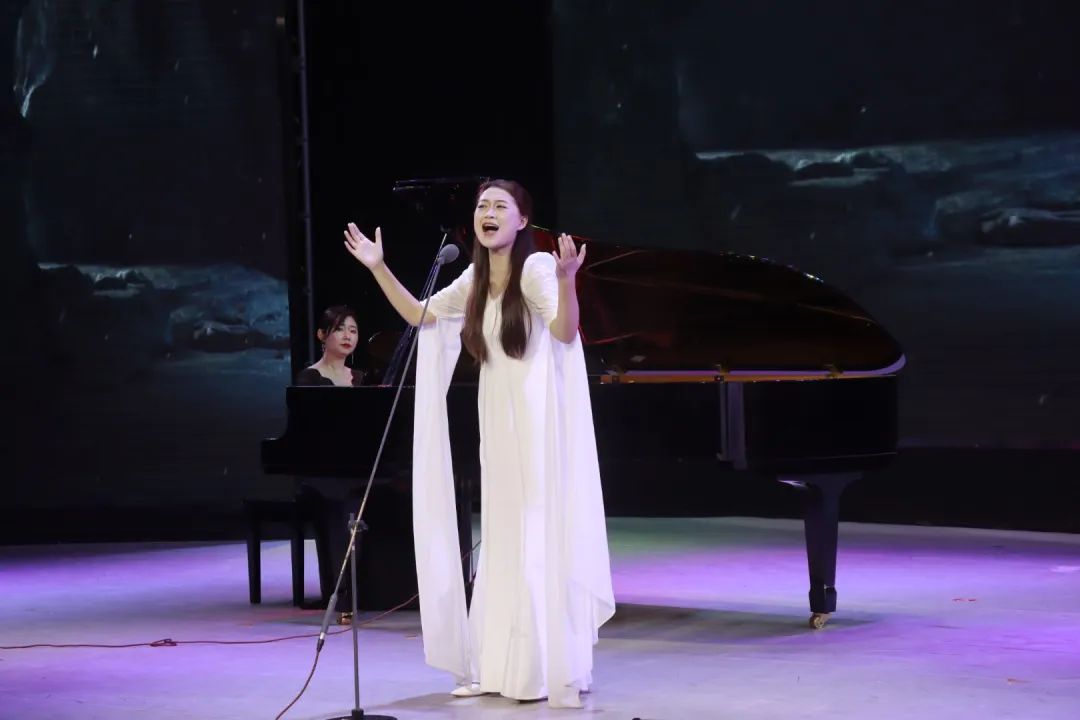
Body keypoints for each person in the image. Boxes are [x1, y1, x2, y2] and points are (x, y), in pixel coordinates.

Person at [344, 179, 615, 708]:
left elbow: (564, 332)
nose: (487, 212)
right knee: (504, 536)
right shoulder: (474, 277)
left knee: (533, 533)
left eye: (500, 206)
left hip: (535, 422)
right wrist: (378, 266)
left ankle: (540, 669)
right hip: (497, 420)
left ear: (522, 221)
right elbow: (420, 314)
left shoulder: (536, 269)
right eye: (482, 205)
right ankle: (500, 665)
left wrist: (568, 281)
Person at [295, 305, 365, 387]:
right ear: (321, 334)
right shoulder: (309, 378)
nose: (347, 336)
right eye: (339, 329)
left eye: (352, 331)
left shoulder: (360, 378)